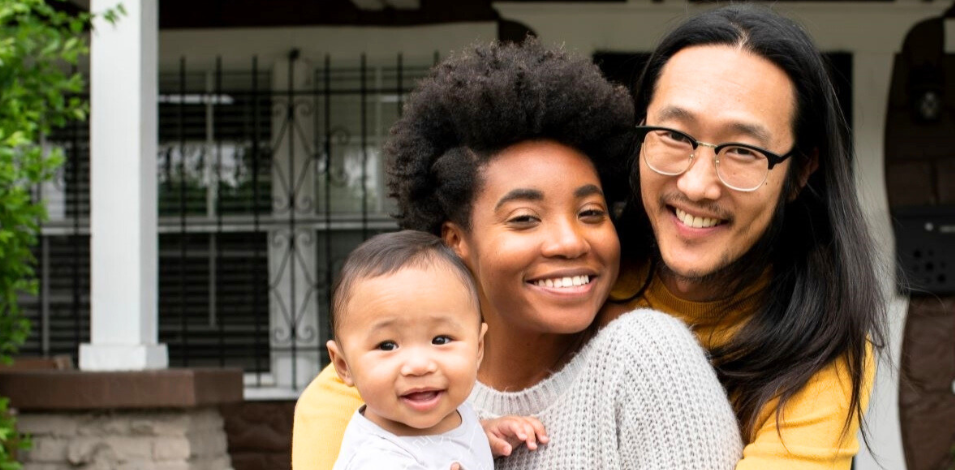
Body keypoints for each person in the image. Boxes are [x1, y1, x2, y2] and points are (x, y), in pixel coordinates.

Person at [292, 39, 742, 470]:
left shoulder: (645, 359)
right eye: (525, 218)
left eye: (590, 212)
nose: (570, 241)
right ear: (455, 241)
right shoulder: (399, 396)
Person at [608, 5, 887, 469]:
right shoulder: (578, 273)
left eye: (742, 150)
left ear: (800, 172)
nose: (697, 185)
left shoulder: (818, 338)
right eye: (674, 135)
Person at [326, 230, 546, 470]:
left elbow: (439, 444)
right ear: (343, 365)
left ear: (478, 347)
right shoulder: (376, 459)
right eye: (387, 345)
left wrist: (481, 436)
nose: (420, 365)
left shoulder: (451, 410)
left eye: (441, 339)